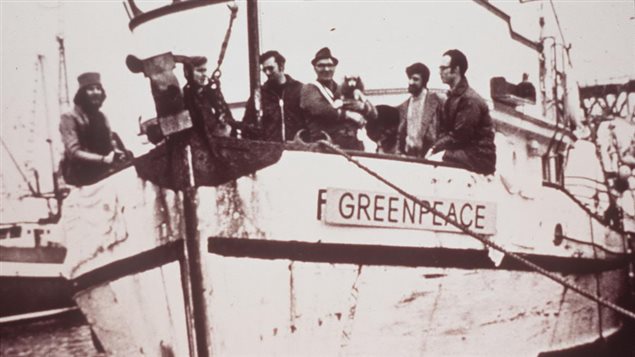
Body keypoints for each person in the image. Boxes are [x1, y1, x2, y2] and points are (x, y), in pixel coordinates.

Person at [427, 49, 496, 175]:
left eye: (443, 68)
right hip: (467, 153)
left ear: (456, 69)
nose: (440, 72)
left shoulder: (469, 100)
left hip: (478, 156)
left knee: (432, 162)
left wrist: (434, 148)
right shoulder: (454, 97)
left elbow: (460, 136)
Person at [300, 47, 377, 150]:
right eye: (321, 66)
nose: (326, 69)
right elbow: (320, 109)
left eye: (330, 65)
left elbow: (374, 114)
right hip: (324, 147)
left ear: (335, 67)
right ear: (315, 68)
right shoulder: (310, 89)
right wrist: (349, 114)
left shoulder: (343, 89)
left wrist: (363, 106)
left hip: (353, 146)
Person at [59, 72, 126, 185]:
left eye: (98, 89)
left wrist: (118, 152)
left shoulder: (102, 116)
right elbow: (74, 153)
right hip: (82, 173)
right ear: (82, 94)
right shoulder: (69, 118)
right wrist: (103, 160)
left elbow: (110, 142)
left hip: (105, 167)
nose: (96, 92)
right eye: (90, 89)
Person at [242, 50, 304, 141]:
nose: (267, 73)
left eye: (271, 68)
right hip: (269, 150)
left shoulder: (300, 89)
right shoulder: (259, 95)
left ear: (281, 66)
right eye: (264, 70)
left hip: (296, 149)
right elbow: (247, 124)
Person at [396, 62, 444, 158]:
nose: (411, 82)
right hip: (409, 156)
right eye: (410, 78)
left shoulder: (438, 101)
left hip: (430, 156)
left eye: (415, 79)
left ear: (424, 81)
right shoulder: (404, 106)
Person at [182, 56, 233, 140]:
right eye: (200, 70)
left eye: (205, 70)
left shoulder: (209, 93)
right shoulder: (183, 98)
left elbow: (227, 118)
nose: (204, 74)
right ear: (187, 72)